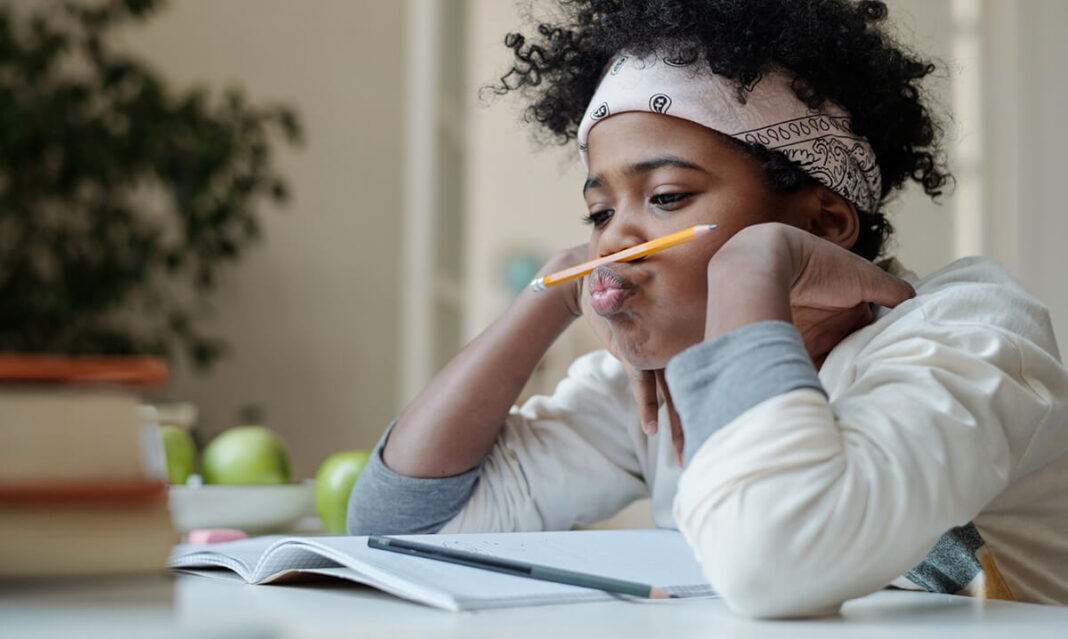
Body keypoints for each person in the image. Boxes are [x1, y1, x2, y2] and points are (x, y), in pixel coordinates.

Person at [348, 0, 1068, 617]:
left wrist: (751, 269)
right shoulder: (667, 388)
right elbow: (405, 523)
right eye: (599, 212)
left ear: (822, 223)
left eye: (666, 198)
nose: (615, 241)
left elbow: (773, 559)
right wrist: (554, 289)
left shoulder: (968, 336)